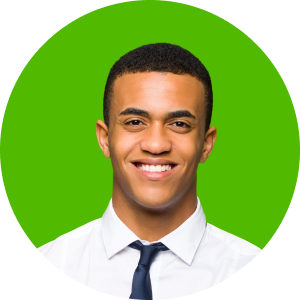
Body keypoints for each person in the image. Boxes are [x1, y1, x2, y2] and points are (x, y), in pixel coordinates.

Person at [37, 43, 261, 299]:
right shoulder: (55, 260)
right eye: (135, 122)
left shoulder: (243, 262)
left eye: (179, 124)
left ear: (206, 145)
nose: (156, 145)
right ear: (104, 138)